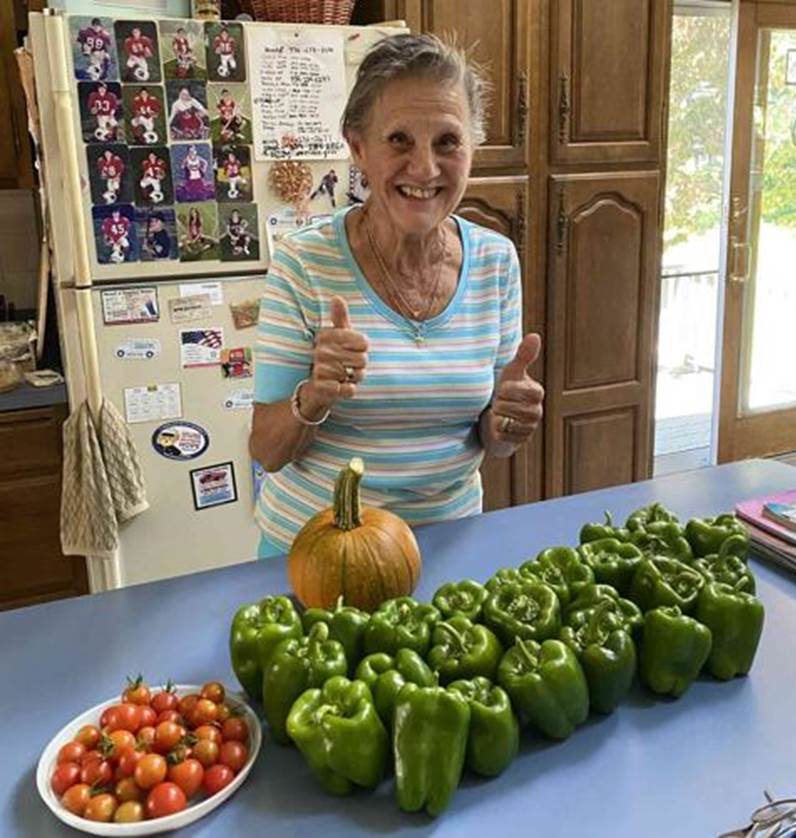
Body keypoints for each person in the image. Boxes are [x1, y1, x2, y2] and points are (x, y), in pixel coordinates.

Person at [249, 34, 545, 559]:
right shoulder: (304, 265)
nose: (426, 169)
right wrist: (315, 394)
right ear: (359, 147)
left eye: (448, 142)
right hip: (319, 555)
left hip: (446, 547)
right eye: (400, 140)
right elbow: (267, 451)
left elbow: (489, 441)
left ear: (473, 148)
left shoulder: (496, 262)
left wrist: (506, 423)